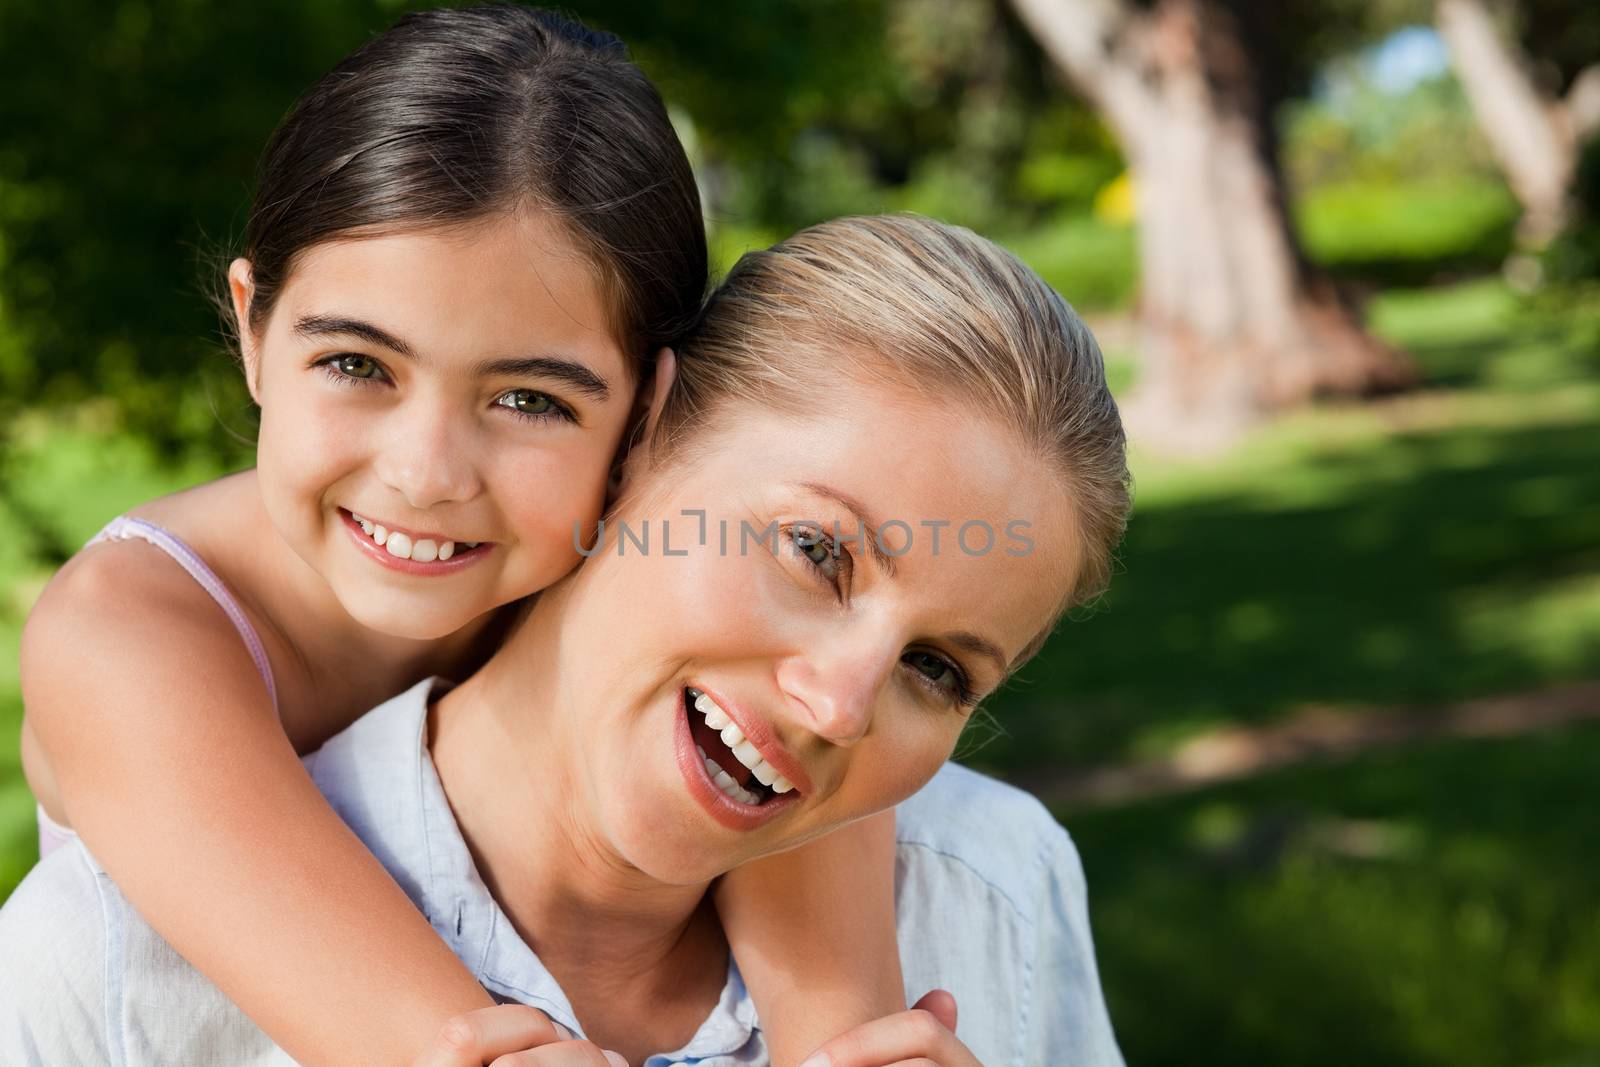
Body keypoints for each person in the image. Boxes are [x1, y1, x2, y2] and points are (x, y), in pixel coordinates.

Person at [0, 213, 1131, 1066]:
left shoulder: (992, 885)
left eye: (937, 668)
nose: (840, 703)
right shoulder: (107, 965)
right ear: (639, 437)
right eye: (813, 550)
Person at [15, 8, 911, 1064]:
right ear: (254, 330)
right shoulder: (125, 639)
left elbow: (809, 777)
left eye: (529, 399)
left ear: (648, 414)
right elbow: (446, 1048)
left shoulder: (635, 566)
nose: (425, 474)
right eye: (356, 364)